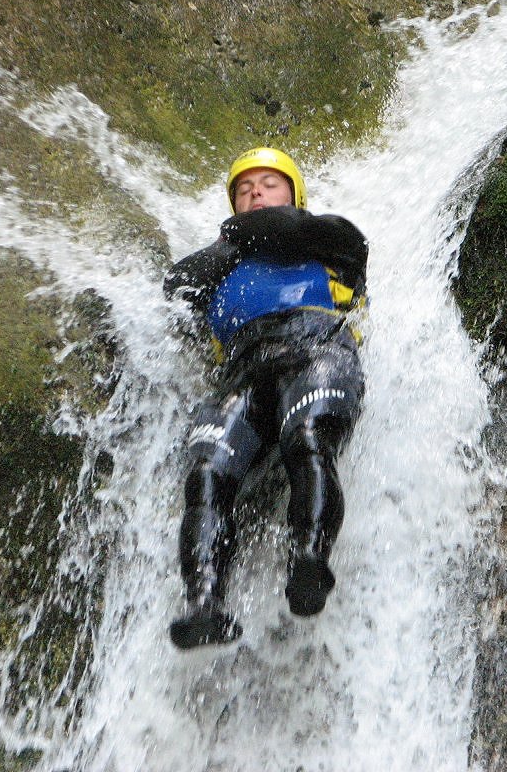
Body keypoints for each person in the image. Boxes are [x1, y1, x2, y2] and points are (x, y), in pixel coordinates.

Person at [163, 147, 368, 649]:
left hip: (315, 347)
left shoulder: (330, 240)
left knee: (306, 436)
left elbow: (300, 231)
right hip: (244, 373)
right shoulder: (217, 266)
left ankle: (309, 559)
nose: (255, 191)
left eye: (268, 183)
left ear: (294, 193)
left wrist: (237, 237)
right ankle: (205, 602)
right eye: (244, 187)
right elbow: (174, 289)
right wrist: (228, 247)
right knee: (208, 474)